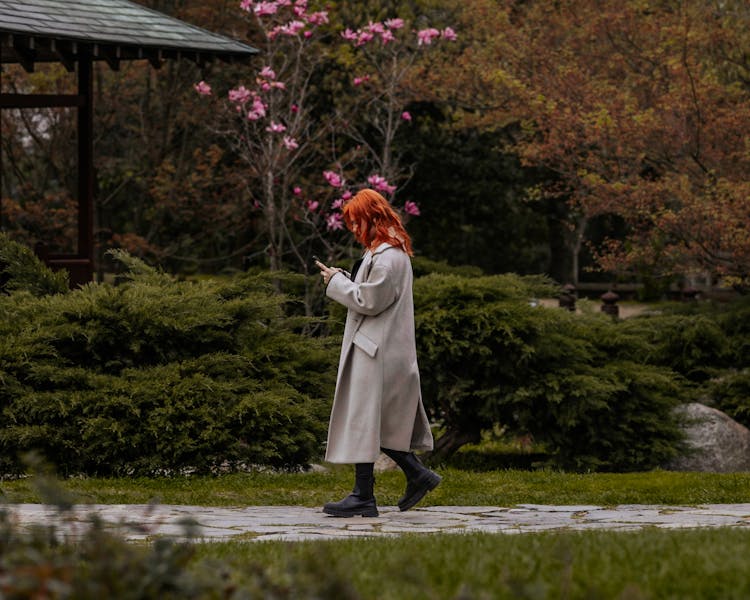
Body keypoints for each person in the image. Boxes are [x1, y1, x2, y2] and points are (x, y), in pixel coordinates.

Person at [315, 188, 441, 517]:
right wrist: (341, 278)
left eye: (357, 222)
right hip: (376, 349)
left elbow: (369, 301)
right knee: (372, 423)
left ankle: (374, 491)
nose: (354, 229)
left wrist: (335, 284)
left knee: (369, 421)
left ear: (372, 217)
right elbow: (368, 293)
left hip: (378, 353)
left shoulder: (388, 257)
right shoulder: (384, 254)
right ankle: (394, 483)